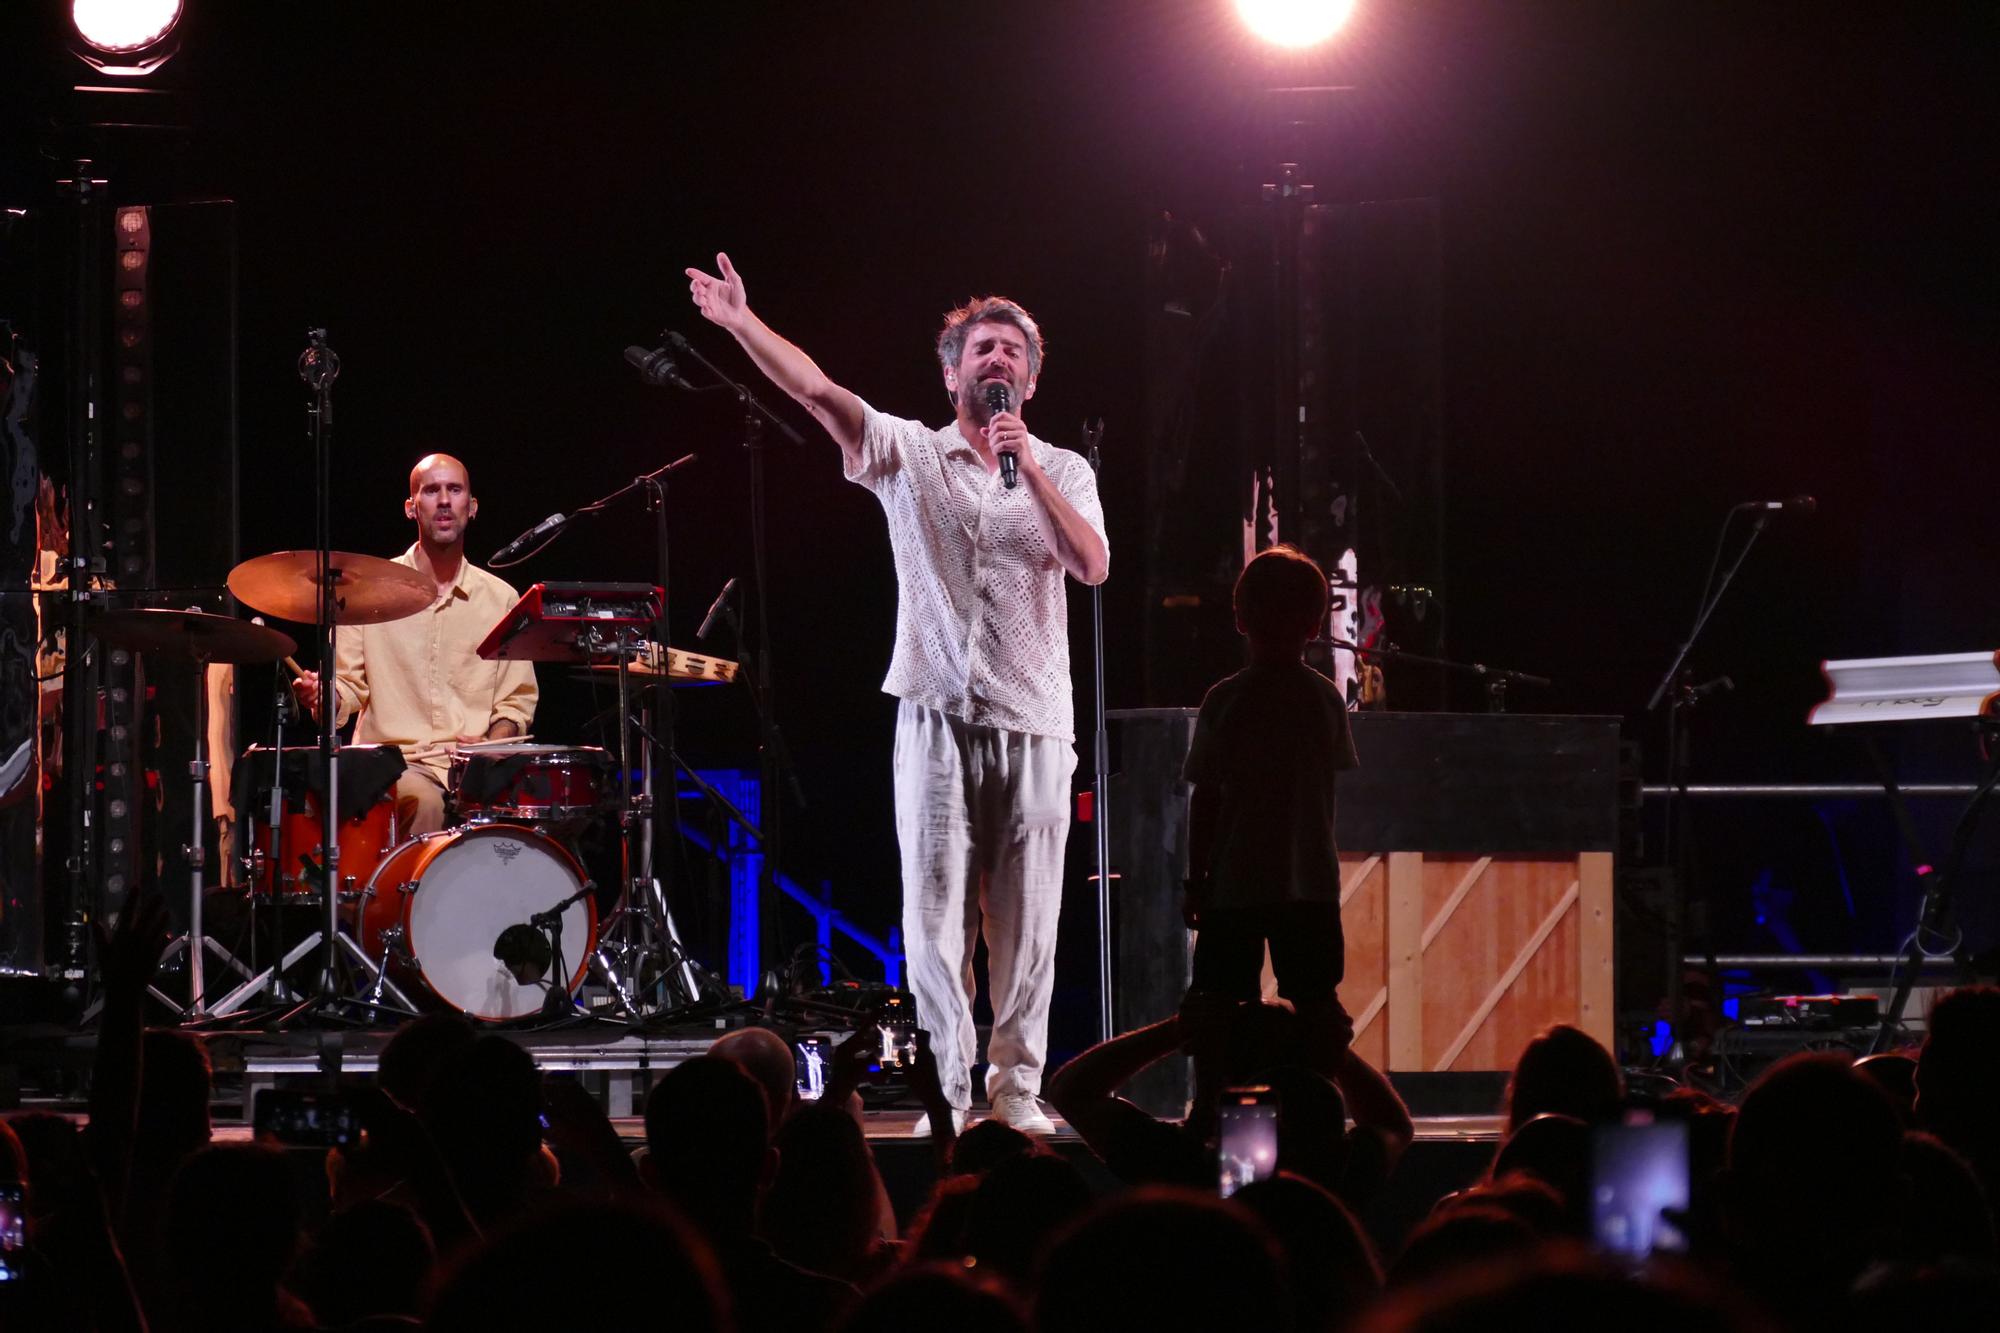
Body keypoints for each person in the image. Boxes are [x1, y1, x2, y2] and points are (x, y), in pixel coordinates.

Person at [686, 253, 1109, 1134]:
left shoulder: (1062, 467)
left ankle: (1019, 1095)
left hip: (1036, 721)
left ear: (1030, 378)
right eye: (982, 349)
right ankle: (949, 1098)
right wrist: (739, 323)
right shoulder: (905, 453)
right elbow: (818, 392)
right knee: (934, 926)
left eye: (1012, 352)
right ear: (951, 371)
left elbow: (1093, 565)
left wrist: (1023, 464)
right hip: (936, 718)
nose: (998, 361)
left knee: (1027, 934)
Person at [292, 452, 537, 835]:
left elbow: (515, 702)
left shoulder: (502, 600)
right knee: (423, 803)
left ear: (471, 508)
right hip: (392, 765)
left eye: (454, 490)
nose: (443, 501)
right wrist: (326, 697)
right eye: (431, 490)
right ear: (411, 507)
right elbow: (345, 688)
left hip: (473, 770)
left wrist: (490, 746)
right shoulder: (369, 593)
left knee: (545, 808)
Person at [1182, 544, 1359, 1044]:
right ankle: (1321, 1106)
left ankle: (1214, 1114)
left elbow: (1207, 799)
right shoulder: (1325, 698)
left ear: (1240, 618)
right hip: (1310, 882)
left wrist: (1196, 882)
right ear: (1314, 625)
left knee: (1216, 1007)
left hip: (1233, 882)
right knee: (1317, 1005)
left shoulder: (1225, 700)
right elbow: (1326, 793)